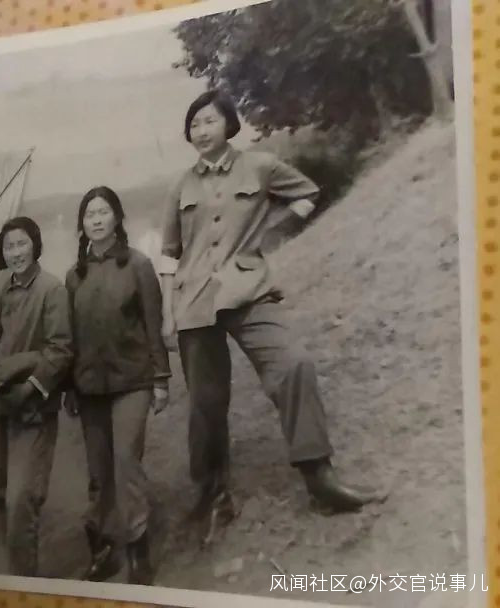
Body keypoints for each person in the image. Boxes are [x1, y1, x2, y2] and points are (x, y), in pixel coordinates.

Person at [158, 89, 385, 539]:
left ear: (229, 124)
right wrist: (168, 313)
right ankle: (212, 495)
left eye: (209, 121)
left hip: (250, 291)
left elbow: (307, 194)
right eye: (194, 124)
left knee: (293, 364)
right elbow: (168, 255)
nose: (201, 130)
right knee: (205, 404)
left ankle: (319, 478)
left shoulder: (260, 166)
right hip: (195, 302)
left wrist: (268, 234)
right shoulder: (180, 186)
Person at [64, 186, 171, 585]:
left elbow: (154, 324)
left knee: (126, 463)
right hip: (88, 387)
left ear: (117, 218)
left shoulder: (139, 265)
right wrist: (69, 388)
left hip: (132, 381)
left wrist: (161, 379)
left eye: (103, 212)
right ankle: (104, 551)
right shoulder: (74, 276)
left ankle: (138, 552)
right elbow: (69, 338)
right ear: (82, 224)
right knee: (98, 473)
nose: (96, 220)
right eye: (89, 214)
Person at [0, 216, 73, 577]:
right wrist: (3, 381)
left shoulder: (52, 290)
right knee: (1, 496)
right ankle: (19, 574)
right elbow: (0, 342)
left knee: (23, 500)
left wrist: (27, 385)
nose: (16, 252)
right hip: (3, 407)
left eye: (22, 243)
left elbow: (61, 350)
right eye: (9, 246)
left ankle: (25, 585)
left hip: (35, 408)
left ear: (35, 245)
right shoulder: (2, 293)